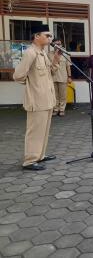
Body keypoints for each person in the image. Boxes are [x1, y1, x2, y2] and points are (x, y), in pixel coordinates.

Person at [13, 24, 60, 171]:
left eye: (50, 36)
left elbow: (50, 72)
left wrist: (56, 59)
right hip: (37, 100)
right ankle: (29, 160)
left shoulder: (42, 53)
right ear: (37, 36)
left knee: (44, 129)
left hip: (47, 99)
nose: (50, 38)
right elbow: (18, 76)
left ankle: (40, 155)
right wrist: (32, 86)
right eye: (47, 35)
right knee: (34, 131)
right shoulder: (30, 53)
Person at [49, 38, 72, 117]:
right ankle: (55, 109)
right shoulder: (49, 54)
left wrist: (69, 76)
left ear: (61, 45)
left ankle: (62, 109)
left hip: (63, 77)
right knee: (55, 95)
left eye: (59, 44)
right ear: (53, 45)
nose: (58, 46)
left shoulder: (65, 54)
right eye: (56, 44)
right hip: (52, 77)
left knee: (63, 95)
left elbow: (68, 67)